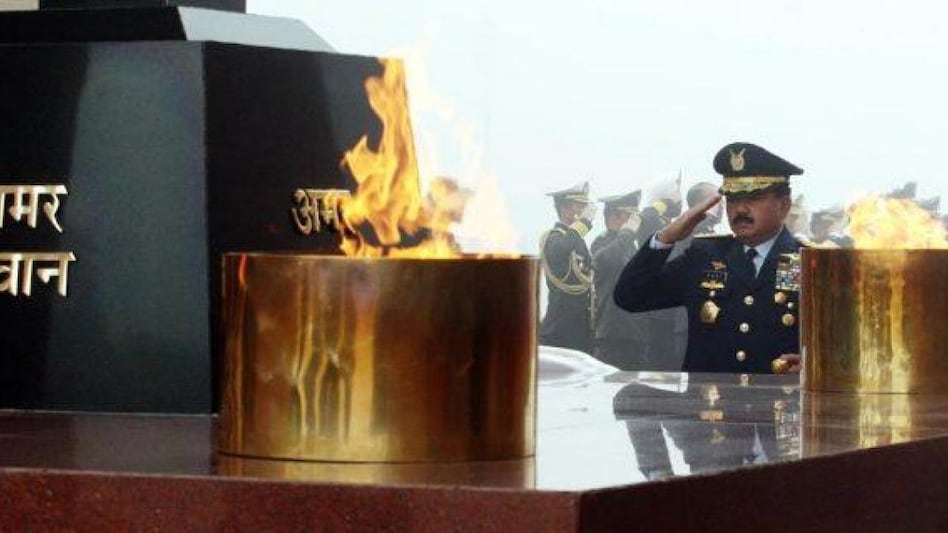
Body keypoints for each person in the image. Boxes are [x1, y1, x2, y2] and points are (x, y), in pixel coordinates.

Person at [614, 142, 805, 374]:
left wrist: (817, 365)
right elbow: (630, 297)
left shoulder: (809, 263)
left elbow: (839, 345)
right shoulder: (705, 256)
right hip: (707, 396)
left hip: (779, 395)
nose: (740, 209)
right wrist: (665, 238)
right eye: (733, 199)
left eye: (753, 197)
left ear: (784, 205)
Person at [590, 190, 646, 368]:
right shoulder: (603, 242)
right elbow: (606, 260)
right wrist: (627, 233)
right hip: (613, 330)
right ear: (613, 216)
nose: (633, 222)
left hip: (634, 330)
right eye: (629, 216)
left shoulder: (629, 245)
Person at [539, 181, 596, 353]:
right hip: (560, 327)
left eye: (585, 206)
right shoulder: (553, 238)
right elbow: (560, 251)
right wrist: (583, 224)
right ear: (564, 208)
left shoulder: (577, 240)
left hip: (580, 326)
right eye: (580, 205)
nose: (584, 210)